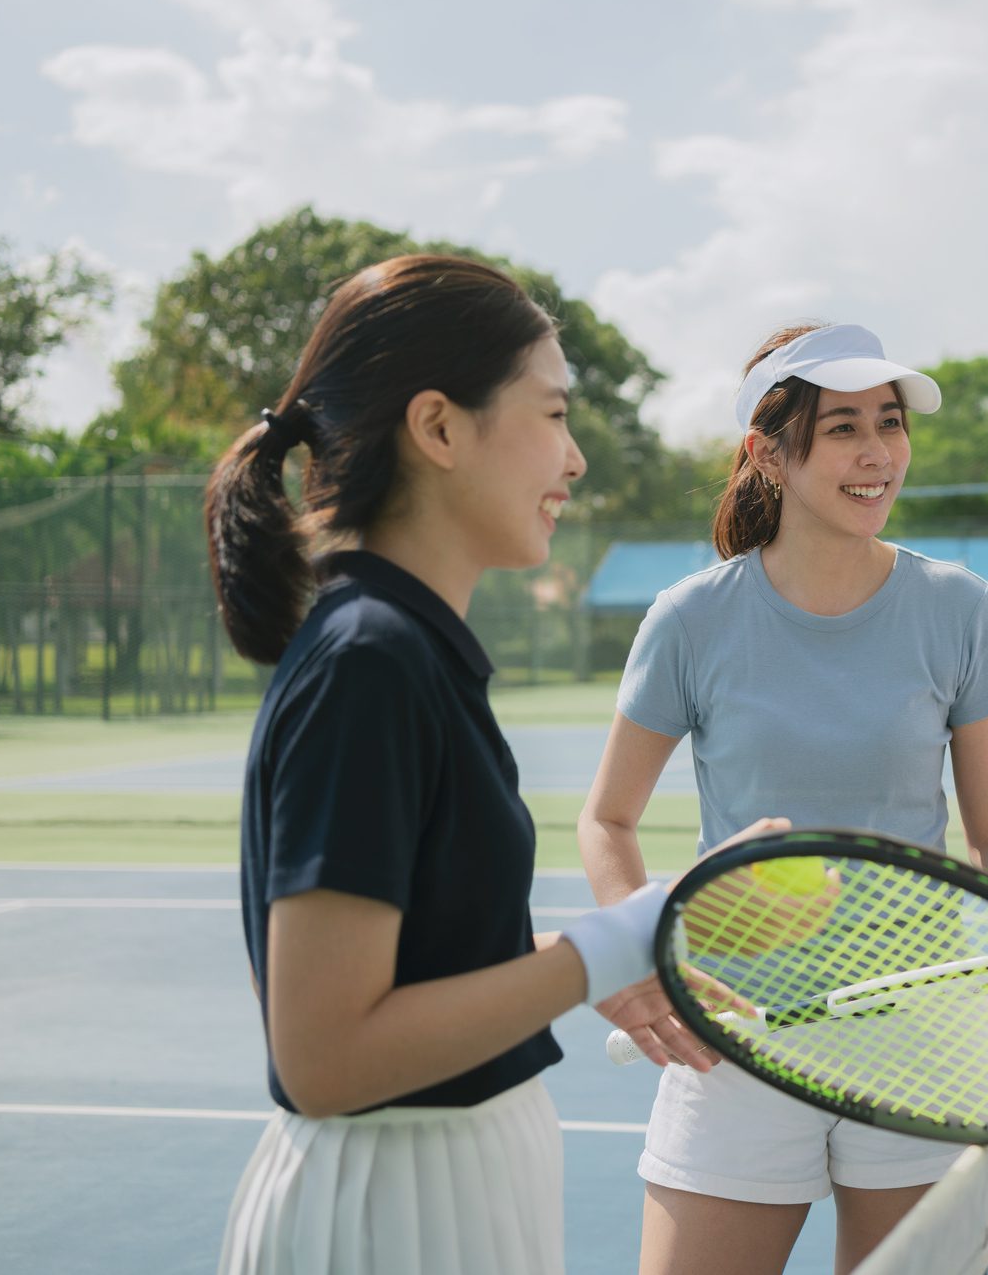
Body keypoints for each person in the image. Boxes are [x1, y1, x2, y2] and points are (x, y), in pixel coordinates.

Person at [576, 322, 988, 1275]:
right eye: (843, 426)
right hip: (737, 1028)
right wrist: (639, 947)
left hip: (923, 1021)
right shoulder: (691, 618)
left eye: (888, 424)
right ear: (769, 451)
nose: (876, 453)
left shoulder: (959, 606)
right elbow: (607, 818)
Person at [207, 254, 743, 1275]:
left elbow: (415, 959)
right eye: (551, 414)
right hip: (384, 1215)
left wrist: (585, 961)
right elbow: (322, 1055)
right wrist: (620, 939)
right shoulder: (371, 660)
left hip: (442, 1194)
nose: (575, 458)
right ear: (440, 428)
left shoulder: (401, 649)